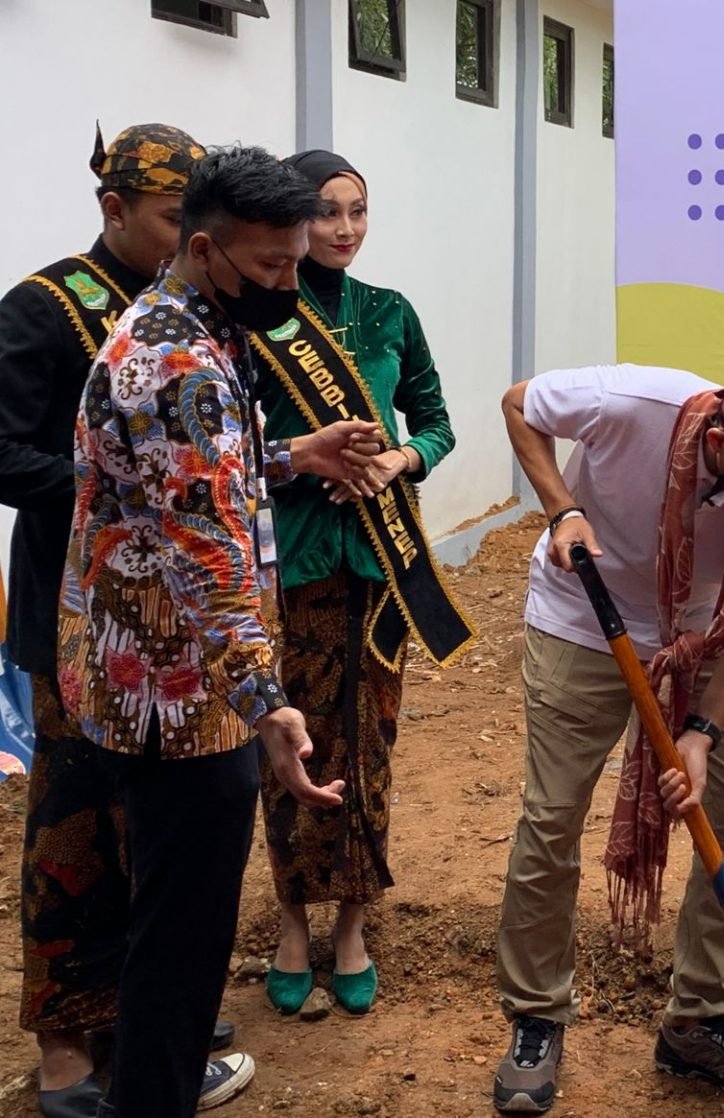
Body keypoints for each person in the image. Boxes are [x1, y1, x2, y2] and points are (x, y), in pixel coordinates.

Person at [56, 144, 385, 1118]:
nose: (290, 283)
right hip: (178, 697)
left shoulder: (193, 325)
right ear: (205, 249)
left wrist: (292, 453)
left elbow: (198, 471)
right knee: (181, 941)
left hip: (166, 677)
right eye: (273, 265)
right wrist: (268, 703)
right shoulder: (177, 363)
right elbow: (202, 553)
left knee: (175, 927)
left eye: (295, 261)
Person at [492, 362, 724, 1111]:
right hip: (583, 621)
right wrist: (561, 510)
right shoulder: (633, 404)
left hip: (709, 637)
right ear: (718, 442)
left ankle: (700, 1019)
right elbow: (520, 406)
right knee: (553, 817)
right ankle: (536, 1015)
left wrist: (702, 732)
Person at [0, 122, 252, 1118]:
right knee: (72, 833)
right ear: (113, 208)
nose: (188, 238)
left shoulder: (189, 307)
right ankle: (66, 1043)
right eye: (169, 218)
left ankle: (146, 1024)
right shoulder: (45, 307)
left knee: (157, 836)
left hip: (173, 631)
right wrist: (110, 484)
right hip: (77, 621)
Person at [250, 148, 468, 1017]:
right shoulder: (257, 317)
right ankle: (290, 919)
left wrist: (399, 462)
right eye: (326, 212)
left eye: (357, 210)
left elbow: (437, 422)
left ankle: (352, 922)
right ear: (293, 219)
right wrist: (303, 462)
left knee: (369, 742)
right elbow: (226, 450)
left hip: (380, 569)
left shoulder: (389, 312)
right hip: (291, 567)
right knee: (291, 743)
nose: (344, 229)